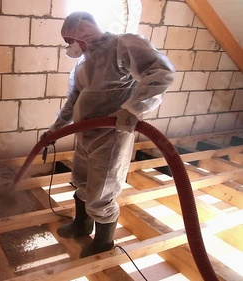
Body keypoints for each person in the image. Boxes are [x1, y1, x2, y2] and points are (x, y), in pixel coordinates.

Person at [41, 12, 175, 258]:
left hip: (111, 135)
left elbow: (160, 73)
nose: (68, 46)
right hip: (84, 135)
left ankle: (104, 241)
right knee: (81, 181)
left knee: (102, 191)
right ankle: (82, 224)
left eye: (68, 39)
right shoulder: (82, 65)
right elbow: (72, 102)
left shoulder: (122, 45)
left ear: (81, 29)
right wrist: (54, 130)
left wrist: (133, 109)